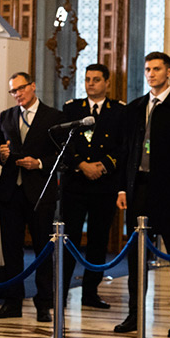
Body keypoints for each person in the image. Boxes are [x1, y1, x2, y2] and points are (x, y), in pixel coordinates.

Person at [114, 52, 170, 337]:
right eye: (147, 70)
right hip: (139, 188)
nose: (151, 74)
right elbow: (126, 151)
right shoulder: (135, 107)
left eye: (156, 69)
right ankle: (134, 314)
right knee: (136, 256)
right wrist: (122, 188)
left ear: (169, 72)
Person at [0, 72, 63, 322]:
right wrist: (2, 154)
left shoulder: (53, 117)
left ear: (33, 86)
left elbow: (65, 155)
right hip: (11, 193)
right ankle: (12, 302)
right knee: (11, 250)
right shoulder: (6, 116)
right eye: (13, 91)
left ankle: (43, 304)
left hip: (40, 193)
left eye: (21, 89)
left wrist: (40, 163)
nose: (17, 94)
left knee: (43, 249)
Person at [60, 63, 124, 309]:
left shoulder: (118, 111)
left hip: (103, 186)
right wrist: (81, 165)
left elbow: (123, 146)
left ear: (107, 83)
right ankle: (62, 292)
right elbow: (64, 143)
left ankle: (90, 293)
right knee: (69, 240)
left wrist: (103, 165)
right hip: (75, 185)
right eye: (87, 79)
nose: (91, 84)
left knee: (98, 241)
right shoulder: (72, 108)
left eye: (96, 80)